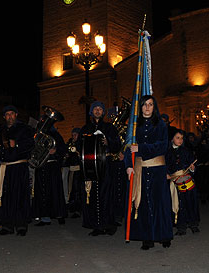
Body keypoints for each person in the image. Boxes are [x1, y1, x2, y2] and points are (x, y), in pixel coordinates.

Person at [124, 95, 173, 250]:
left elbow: (162, 146)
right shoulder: (134, 125)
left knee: (160, 203)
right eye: (145, 104)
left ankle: (163, 235)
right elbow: (128, 147)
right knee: (143, 203)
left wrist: (142, 148)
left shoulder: (161, 125)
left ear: (154, 106)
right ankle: (147, 237)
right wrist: (128, 165)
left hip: (157, 169)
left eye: (150, 104)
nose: (147, 107)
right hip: (140, 169)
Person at [78, 101, 121, 236]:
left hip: (105, 164)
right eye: (95, 109)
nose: (97, 111)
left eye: (100, 109)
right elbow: (79, 145)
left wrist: (108, 141)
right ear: (91, 112)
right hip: (90, 166)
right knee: (92, 195)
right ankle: (96, 225)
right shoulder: (85, 128)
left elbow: (117, 144)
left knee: (106, 194)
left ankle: (108, 224)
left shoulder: (110, 127)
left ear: (103, 112)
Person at [0, 105, 34, 236]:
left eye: (12, 114)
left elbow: (30, 145)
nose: (9, 116)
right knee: (5, 196)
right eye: (7, 114)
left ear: (16, 115)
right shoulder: (0, 131)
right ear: (4, 117)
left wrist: (16, 144)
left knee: (20, 195)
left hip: (19, 167)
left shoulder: (25, 129)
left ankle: (21, 225)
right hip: (5, 167)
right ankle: (7, 225)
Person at [31, 111, 68, 226]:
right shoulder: (36, 135)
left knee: (55, 192)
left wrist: (55, 151)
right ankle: (44, 217)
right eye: (43, 120)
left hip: (52, 166)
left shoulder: (56, 135)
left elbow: (63, 149)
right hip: (41, 166)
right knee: (42, 192)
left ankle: (59, 214)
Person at [166, 129, 200, 236]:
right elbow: (165, 165)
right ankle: (181, 226)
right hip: (174, 180)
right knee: (179, 204)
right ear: (172, 139)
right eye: (177, 138)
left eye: (181, 138)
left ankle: (193, 224)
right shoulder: (167, 153)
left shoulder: (186, 151)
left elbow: (192, 164)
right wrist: (166, 174)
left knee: (191, 202)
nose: (180, 140)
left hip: (186, 178)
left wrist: (193, 168)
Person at [64, 127, 83, 218]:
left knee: (77, 189)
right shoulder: (71, 143)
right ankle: (72, 206)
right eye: (72, 135)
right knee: (71, 188)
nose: (73, 136)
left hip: (78, 170)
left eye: (75, 135)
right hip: (71, 169)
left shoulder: (81, 144)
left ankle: (77, 209)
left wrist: (79, 154)